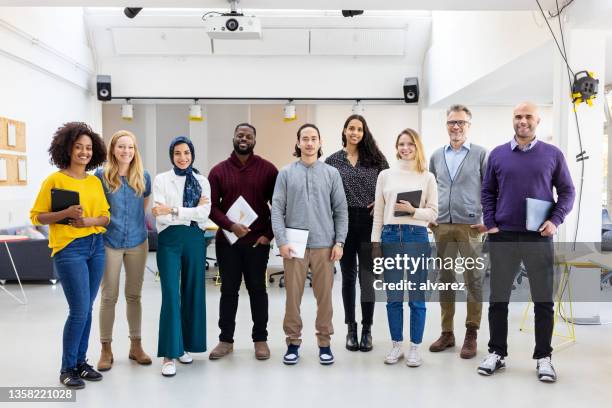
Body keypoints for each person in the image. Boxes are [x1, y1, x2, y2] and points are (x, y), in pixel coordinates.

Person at [477, 102, 575, 383]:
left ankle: (544, 357)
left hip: (538, 237)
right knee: (498, 299)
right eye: (518, 116)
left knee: (543, 300)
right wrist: (491, 221)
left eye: (528, 116)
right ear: (513, 120)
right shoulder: (497, 155)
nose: (522, 121)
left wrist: (555, 220)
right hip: (503, 236)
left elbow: (567, 191)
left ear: (538, 120)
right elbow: (487, 192)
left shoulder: (553, 155)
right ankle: (497, 352)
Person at [30, 122, 110, 389]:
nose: (84, 152)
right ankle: (67, 368)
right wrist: (65, 214)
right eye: (79, 147)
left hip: (95, 246)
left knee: (87, 309)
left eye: (88, 148)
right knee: (78, 310)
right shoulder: (55, 180)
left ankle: (81, 363)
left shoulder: (95, 181)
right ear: (68, 149)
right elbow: (37, 216)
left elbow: (105, 217)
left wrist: (88, 222)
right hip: (69, 250)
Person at [271, 123, 348, 365]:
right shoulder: (285, 173)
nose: (309, 142)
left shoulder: (331, 173)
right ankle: (293, 343)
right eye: (305, 138)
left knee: (324, 298)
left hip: (325, 245)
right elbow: (277, 211)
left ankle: (324, 343)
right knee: (292, 298)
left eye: (313, 138)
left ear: (320, 142)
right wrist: (281, 241)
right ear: (298, 142)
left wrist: (340, 242)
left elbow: (341, 210)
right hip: (294, 247)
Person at [207, 123, 278, 361]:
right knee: (229, 291)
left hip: (257, 243)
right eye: (240, 135)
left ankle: (260, 340)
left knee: (258, 291)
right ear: (234, 138)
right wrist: (230, 226)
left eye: (248, 135)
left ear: (255, 140)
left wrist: (268, 235)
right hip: (228, 243)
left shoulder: (268, 170)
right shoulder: (218, 171)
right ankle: (225, 340)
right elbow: (211, 207)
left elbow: (278, 206)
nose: (244, 138)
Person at [371, 128, 438, 367]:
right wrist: (375, 242)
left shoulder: (426, 176)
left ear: (417, 147)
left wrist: (412, 211)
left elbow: (433, 212)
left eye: (410, 144)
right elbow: (379, 211)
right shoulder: (385, 175)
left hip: (417, 236)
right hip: (389, 235)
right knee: (393, 297)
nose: (405, 148)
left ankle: (415, 348)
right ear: (396, 146)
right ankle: (397, 344)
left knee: (417, 298)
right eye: (401, 144)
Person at [428, 105, 488, 359]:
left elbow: (490, 189)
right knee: (445, 278)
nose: (456, 127)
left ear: (469, 126)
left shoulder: (480, 154)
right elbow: (429, 188)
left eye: (461, 123)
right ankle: (447, 332)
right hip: (442, 225)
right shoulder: (436, 156)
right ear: (446, 125)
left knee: (473, 280)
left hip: (471, 226)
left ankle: (471, 332)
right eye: (452, 122)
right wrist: (430, 216)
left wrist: (486, 219)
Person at [325, 114, 388, 352]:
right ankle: (351, 328)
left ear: (364, 132)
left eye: (359, 129)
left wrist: (379, 201)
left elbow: (389, 186)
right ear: (344, 131)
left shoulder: (376, 158)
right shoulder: (332, 161)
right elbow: (327, 192)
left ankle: (367, 329)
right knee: (348, 277)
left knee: (367, 278)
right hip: (343, 222)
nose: (355, 133)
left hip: (369, 222)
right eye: (351, 128)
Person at [152, 136, 211, 377]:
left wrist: (174, 209)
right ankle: (169, 354)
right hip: (169, 241)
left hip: (195, 240)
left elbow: (204, 213)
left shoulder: (201, 181)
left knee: (192, 291)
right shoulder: (161, 179)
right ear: (171, 155)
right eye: (177, 153)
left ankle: (185, 346)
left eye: (186, 152)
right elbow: (160, 216)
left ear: (192, 154)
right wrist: (189, 212)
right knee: (170, 293)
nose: (182, 157)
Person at [94, 130, 152, 371]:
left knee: (134, 296)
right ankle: (105, 348)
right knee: (109, 297)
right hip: (110, 243)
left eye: (130, 147)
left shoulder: (144, 176)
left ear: (135, 150)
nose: (126, 151)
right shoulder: (101, 176)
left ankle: (135, 345)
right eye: (121, 147)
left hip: (138, 242)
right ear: (113, 150)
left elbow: (144, 207)